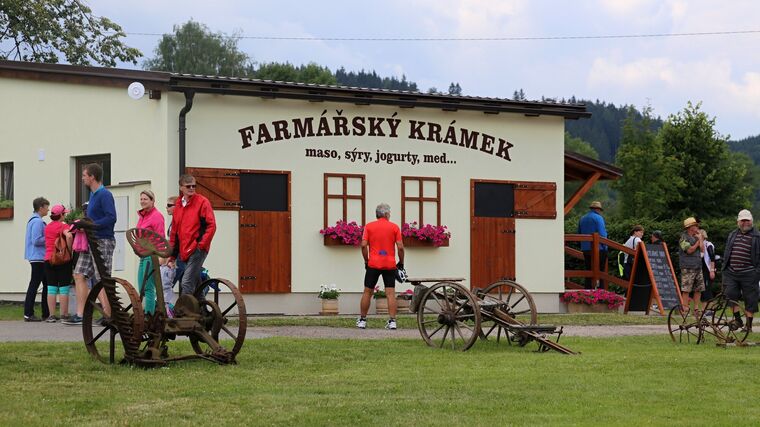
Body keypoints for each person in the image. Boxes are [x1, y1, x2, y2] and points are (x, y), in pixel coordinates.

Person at [65, 164, 116, 325]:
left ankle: (109, 315)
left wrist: (91, 225)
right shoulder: (93, 195)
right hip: (90, 241)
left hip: (103, 240)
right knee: (78, 274)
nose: (82, 178)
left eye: (84, 175)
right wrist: (81, 222)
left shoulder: (105, 195)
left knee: (102, 278)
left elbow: (111, 218)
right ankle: (81, 315)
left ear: (92, 177)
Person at [358, 203, 404, 330]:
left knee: (367, 291)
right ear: (387, 214)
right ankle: (392, 321)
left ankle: (362, 320)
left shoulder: (369, 226)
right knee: (390, 293)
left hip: (373, 263)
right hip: (389, 264)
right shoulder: (394, 227)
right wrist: (401, 263)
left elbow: (363, 245)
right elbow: (400, 247)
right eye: (389, 213)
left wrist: (366, 261)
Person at [168, 174, 216, 298]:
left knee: (186, 282)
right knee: (196, 283)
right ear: (181, 188)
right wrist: (173, 255)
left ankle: (184, 313)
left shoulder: (202, 202)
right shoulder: (178, 205)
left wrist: (201, 245)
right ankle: (203, 312)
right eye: (188, 186)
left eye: (194, 186)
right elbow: (175, 232)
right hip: (184, 250)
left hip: (197, 249)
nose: (191, 188)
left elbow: (211, 225)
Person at [721, 209, 760, 332]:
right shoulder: (732, 234)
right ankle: (738, 320)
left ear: (751, 221)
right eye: (742, 220)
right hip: (731, 272)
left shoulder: (757, 236)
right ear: (738, 222)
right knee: (730, 295)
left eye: (747, 220)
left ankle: (748, 327)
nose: (745, 223)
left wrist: (757, 272)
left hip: (749, 273)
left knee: (750, 299)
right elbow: (727, 252)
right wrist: (724, 268)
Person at [135, 190, 165, 315]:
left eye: (145, 199)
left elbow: (161, 236)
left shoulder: (157, 216)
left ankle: (149, 316)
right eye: (141, 199)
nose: (142, 201)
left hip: (151, 256)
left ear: (152, 201)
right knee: (141, 286)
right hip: (142, 256)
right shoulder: (143, 216)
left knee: (148, 287)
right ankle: (147, 313)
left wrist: (161, 256)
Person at [43, 204, 73, 322]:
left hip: (48, 259)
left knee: (51, 288)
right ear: (61, 215)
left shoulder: (47, 227)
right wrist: (69, 251)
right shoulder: (63, 226)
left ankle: (51, 315)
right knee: (64, 288)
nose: (65, 215)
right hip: (62, 259)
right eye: (64, 213)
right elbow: (69, 236)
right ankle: (64, 315)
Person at [23, 197, 50, 321]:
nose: (48, 210)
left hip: (38, 257)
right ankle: (28, 313)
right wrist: (50, 238)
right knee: (35, 284)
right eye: (46, 207)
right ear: (41, 208)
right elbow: (36, 240)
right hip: (38, 257)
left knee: (46, 284)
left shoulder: (34, 220)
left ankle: (46, 313)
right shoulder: (38, 222)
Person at [577, 201, 608, 289]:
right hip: (599, 249)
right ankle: (601, 291)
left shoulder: (582, 218)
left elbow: (579, 233)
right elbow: (602, 234)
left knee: (589, 270)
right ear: (598, 209)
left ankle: (587, 290)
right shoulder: (598, 218)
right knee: (600, 272)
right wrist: (605, 247)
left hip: (586, 249)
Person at [678, 217, 704, 317]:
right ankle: (685, 308)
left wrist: (700, 239)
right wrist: (698, 242)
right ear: (690, 227)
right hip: (687, 266)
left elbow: (702, 250)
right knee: (686, 289)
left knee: (699, 288)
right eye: (695, 225)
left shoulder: (697, 236)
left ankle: (696, 308)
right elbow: (689, 250)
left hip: (698, 265)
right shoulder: (683, 238)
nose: (697, 227)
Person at [699, 229, 716, 304]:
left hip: (707, 269)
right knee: (702, 289)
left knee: (707, 288)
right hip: (700, 269)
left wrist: (712, 270)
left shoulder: (708, 244)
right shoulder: (699, 245)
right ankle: (703, 309)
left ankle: (709, 308)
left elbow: (712, 257)